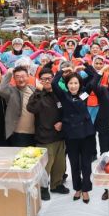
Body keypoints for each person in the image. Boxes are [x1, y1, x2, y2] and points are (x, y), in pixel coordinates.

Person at [52, 65, 97, 204]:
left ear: (79, 84)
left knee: (86, 164)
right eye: (70, 83)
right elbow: (54, 83)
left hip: (86, 134)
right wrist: (63, 71)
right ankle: (77, 188)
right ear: (67, 85)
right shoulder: (63, 95)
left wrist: (85, 66)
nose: (73, 86)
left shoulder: (84, 93)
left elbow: (95, 77)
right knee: (74, 163)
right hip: (71, 135)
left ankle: (85, 190)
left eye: (75, 83)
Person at [27, 68, 69, 201]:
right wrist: (38, 91)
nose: (46, 81)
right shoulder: (39, 95)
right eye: (43, 79)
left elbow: (68, 111)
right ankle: (43, 187)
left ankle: (56, 184)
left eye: (49, 78)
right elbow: (31, 108)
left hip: (60, 136)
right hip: (45, 137)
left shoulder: (59, 93)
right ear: (40, 81)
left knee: (60, 164)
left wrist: (63, 122)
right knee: (46, 165)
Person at [0, 66, 36, 146]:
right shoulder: (11, 91)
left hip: (35, 134)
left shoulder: (34, 90)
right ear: (14, 79)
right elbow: (1, 90)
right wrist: (8, 74)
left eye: (23, 76)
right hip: (18, 135)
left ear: (28, 76)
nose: (21, 79)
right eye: (17, 77)